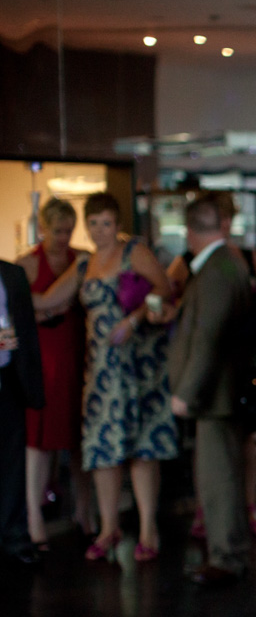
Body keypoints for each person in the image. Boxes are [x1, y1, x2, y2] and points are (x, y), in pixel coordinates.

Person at [35, 192, 177, 563]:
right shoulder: (84, 264)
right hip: (100, 371)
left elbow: (164, 289)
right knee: (102, 451)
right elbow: (49, 299)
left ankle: (148, 529)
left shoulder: (135, 253)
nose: (99, 231)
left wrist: (134, 320)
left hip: (139, 363)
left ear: (118, 224)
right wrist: (10, 284)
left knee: (143, 448)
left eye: (106, 223)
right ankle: (108, 527)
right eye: (93, 223)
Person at [168, 197, 254, 587]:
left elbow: (208, 337)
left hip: (215, 395)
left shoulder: (216, 269)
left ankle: (226, 557)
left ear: (189, 232)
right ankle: (227, 553)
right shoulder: (226, 262)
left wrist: (186, 390)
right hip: (220, 394)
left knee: (218, 480)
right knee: (222, 476)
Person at [19, 198, 93, 549]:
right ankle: (33, 517)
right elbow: (18, 313)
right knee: (40, 440)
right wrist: (49, 308)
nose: (63, 238)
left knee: (80, 438)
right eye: (57, 230)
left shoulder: (82, 260)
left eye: (68, 230)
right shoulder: (28, 264)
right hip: (46, 360)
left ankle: (85, 509)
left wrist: (49, 307)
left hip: (79, 352)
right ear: (44, 228)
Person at [0, 257, 44, 569]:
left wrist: (33, 385)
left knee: (13, 463)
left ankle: (15, 539)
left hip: (10, 380)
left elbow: (27, 331)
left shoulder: (12, 274)